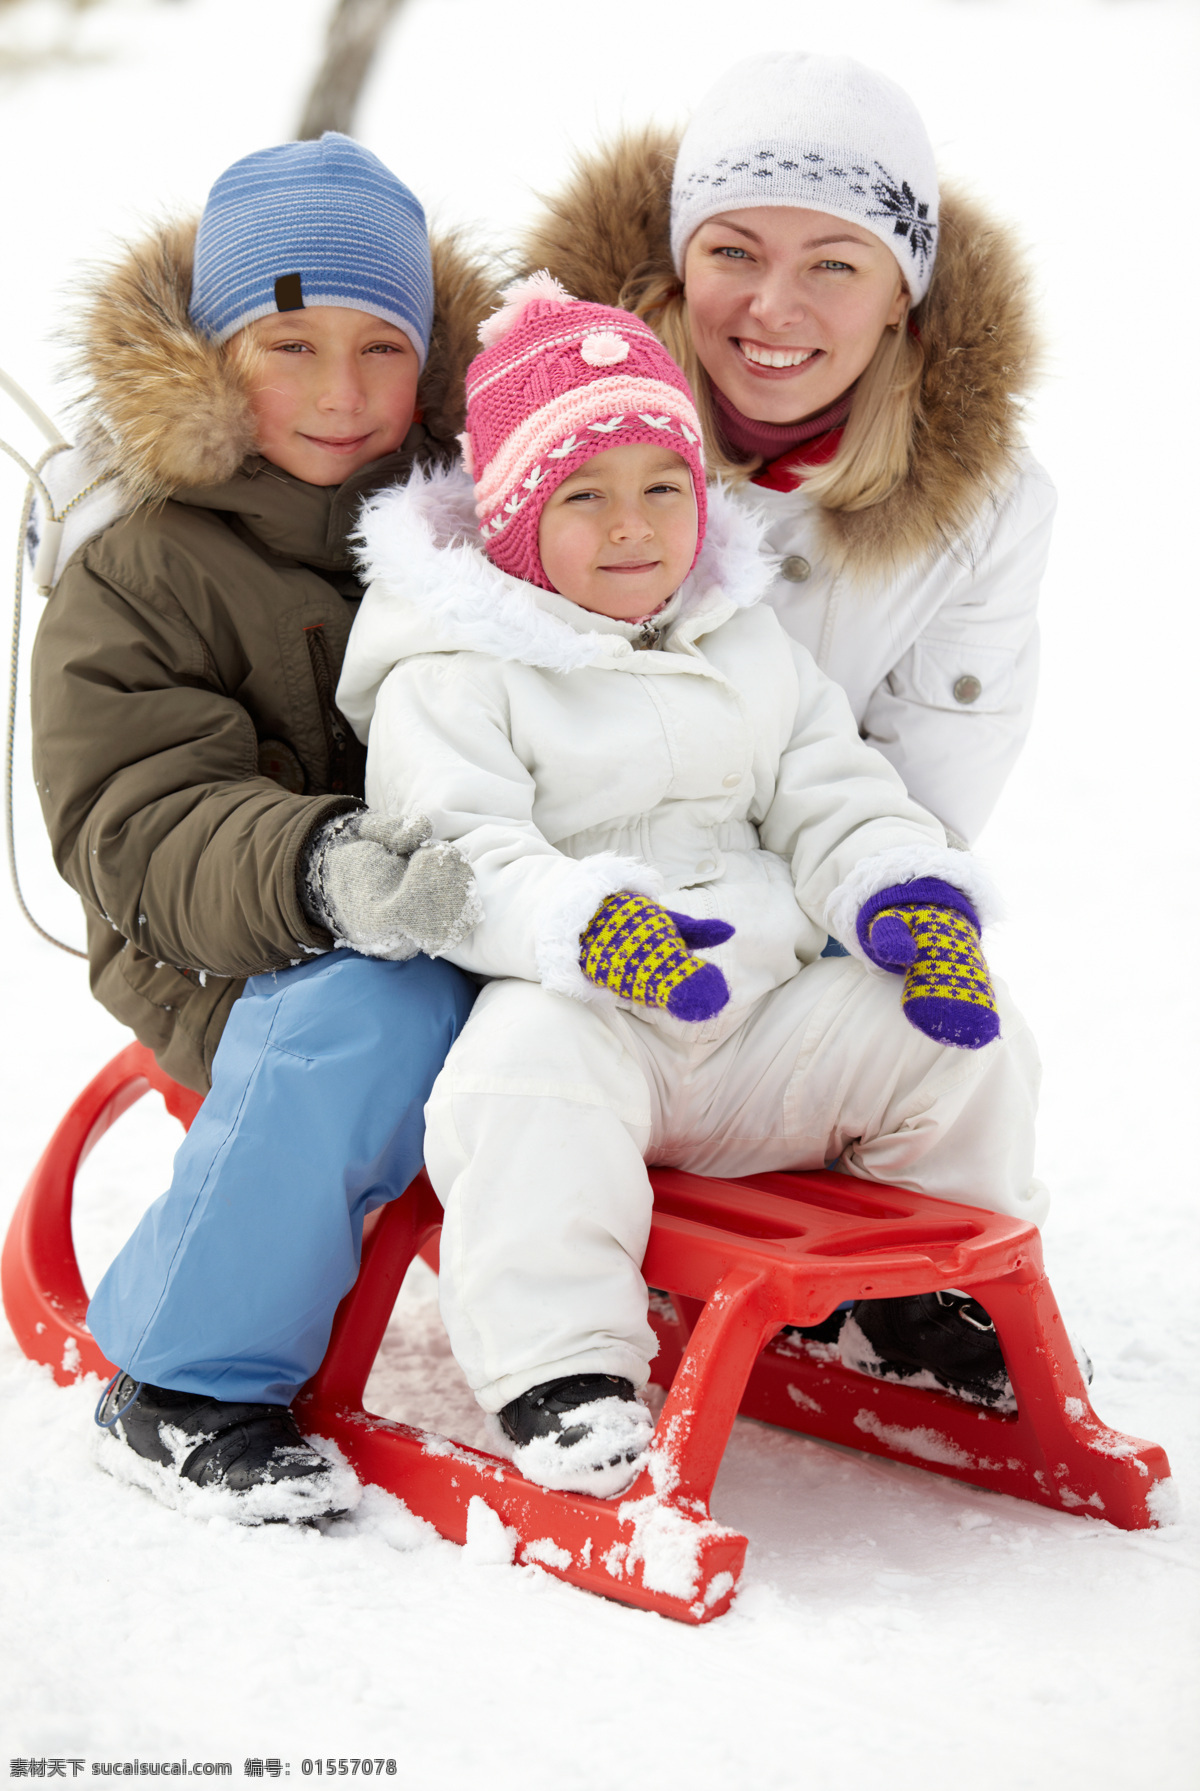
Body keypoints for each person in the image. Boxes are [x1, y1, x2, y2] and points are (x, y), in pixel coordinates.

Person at [336, 276, 1043, 1497]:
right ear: (512, 519)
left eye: (663, 487)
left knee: (962, 1042)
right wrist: (581, 922)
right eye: (584, 496)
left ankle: (916, 1297)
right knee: (518, 1081)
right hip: (593, 1013)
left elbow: (830, 786)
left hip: (758, 1020)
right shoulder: (452, 675)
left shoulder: (741, 639)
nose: (633, 527)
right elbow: (454, 853)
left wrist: (895, 887)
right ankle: (563, 1371)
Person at [30, 135, 490, 1523]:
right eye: (289, 342)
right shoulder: (146, 558)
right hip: (228, 936)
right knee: (373, 1013)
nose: (342, 395)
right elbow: (133, 806)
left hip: (479, 897)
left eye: (380, 347)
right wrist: (323, 869)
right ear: (214, 351)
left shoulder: (484, 518)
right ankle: (186, 1370)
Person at [516, 52, 1056, 850]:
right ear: (683, 263)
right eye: (733, 252)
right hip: (573, 907)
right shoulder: (540, 428)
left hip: (832, 911)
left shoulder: (984, 514)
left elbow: (917, 816)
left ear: (899, 293)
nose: (772, 309)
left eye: (832, 264)